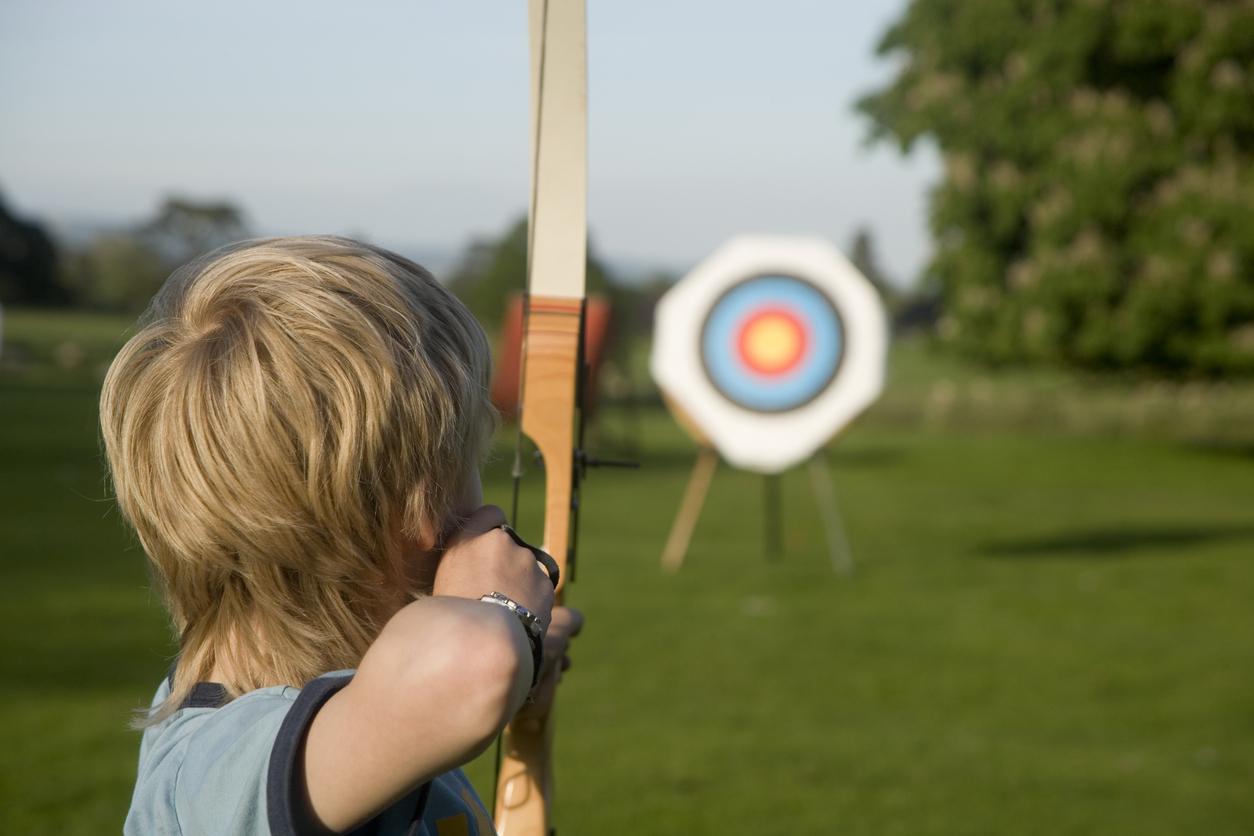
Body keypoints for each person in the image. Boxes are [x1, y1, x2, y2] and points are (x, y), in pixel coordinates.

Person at [101, 236, 582, 835]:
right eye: (468, 462)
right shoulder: (221, 769)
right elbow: (474, 664)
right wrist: (506, 617)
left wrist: (523, 650)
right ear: (421, 503)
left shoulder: (352, 709)